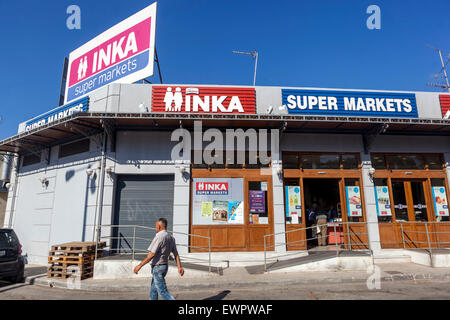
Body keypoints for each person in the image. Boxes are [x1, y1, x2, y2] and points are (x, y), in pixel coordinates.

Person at [133, 218, 184, 300]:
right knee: (153, 291)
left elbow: (151, 254)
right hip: (164, 267)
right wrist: (179, 267)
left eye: (156, 226)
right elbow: (176, 254)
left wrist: (139, 266)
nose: (155, 227)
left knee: (163, 292)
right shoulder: (171, 237)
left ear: (160, 226)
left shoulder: (159, 237)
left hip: (158, 268)